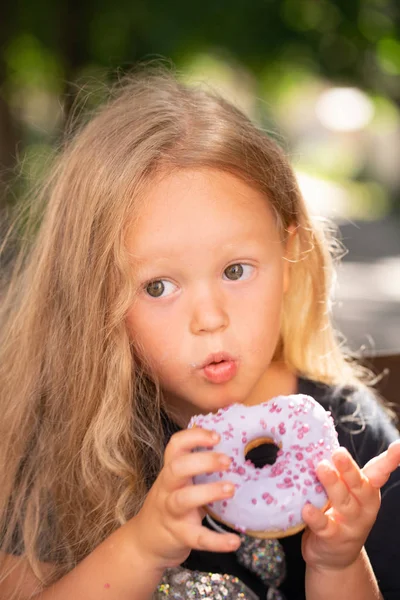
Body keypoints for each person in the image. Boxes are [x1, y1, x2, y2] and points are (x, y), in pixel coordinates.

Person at [0, 66, 399, 600]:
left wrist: (338, 562)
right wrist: (141, 549)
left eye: (236, 271)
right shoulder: (61, 445)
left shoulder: (351, 440)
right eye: (159, 286)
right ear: (97, 299)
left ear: (288, 256)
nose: (209, 317)